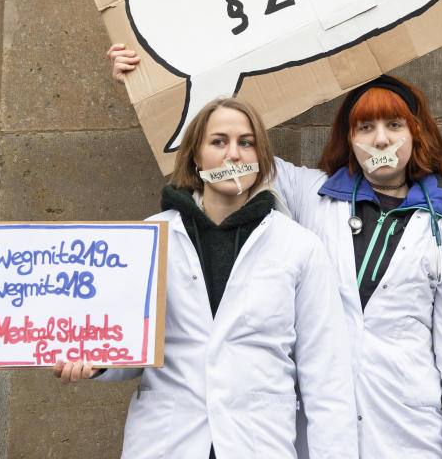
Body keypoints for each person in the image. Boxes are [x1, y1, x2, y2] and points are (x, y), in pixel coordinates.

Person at [108, 45, 442, 457]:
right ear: (349, 139)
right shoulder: (314, 193)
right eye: (364, 128)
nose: (380, 139)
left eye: (394, 125)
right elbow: (230, 147)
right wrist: (150, 75)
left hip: (407, 427)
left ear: (417, 133)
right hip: (311, 430)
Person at [53, 97, 358, 459]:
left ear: (260, 158)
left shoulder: (299, 246)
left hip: (258, 442)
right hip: (167, 441)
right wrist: (99, 360)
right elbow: (131, 349)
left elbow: (327, 376)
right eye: (218, 142)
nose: (233, 154)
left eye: (246, 143)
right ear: (196, 157)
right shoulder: (150, 238)